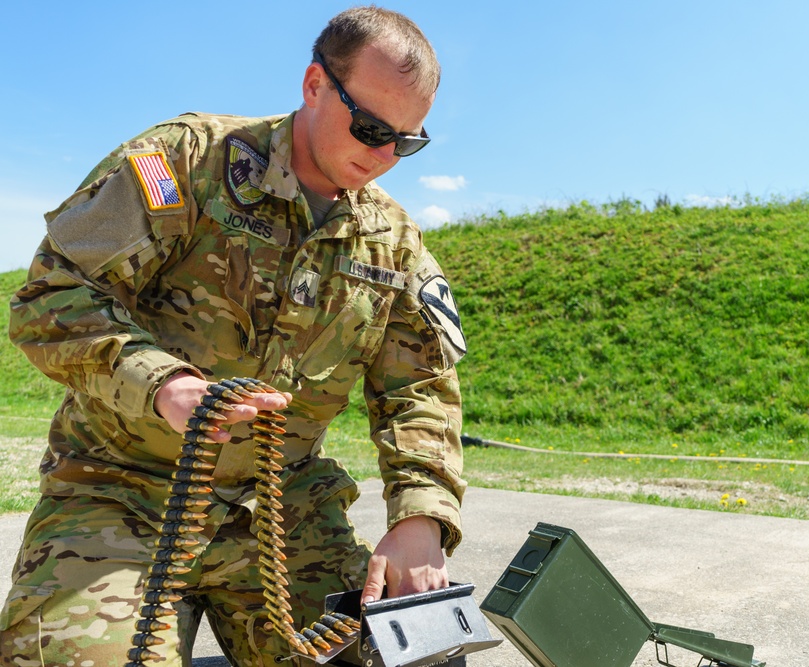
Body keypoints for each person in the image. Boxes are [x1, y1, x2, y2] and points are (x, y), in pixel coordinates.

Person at [1, 6, 467, 666]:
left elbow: (420, 388)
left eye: (408, 141)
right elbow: (52, 294)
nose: (386, 155)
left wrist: (420, 514)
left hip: (281, 518)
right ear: (314, 85)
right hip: (121, 496)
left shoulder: (392, 244)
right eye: (369, 128)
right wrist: (161, 384)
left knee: (420, 654)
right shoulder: (190, 162)